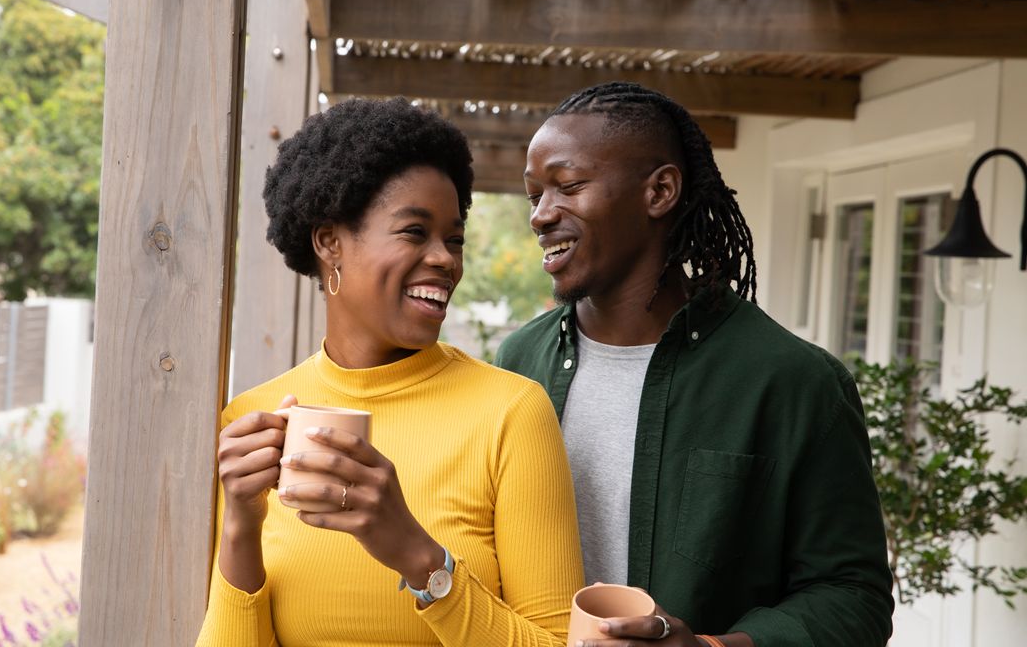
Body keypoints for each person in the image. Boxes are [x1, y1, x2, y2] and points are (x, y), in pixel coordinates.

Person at [495, 82, 894, 647]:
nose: (540, 216)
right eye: (534, 195)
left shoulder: (794, 383)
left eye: (569, 186)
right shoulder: (517, 364)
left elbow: (854, 596)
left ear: (659, 191)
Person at [196, 97, 584, 647]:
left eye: (454, 238)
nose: (446, 260)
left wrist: (418, 557)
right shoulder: (252, 423)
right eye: (413, 232)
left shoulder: (510, 412)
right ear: (330, 241)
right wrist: (240, 523)